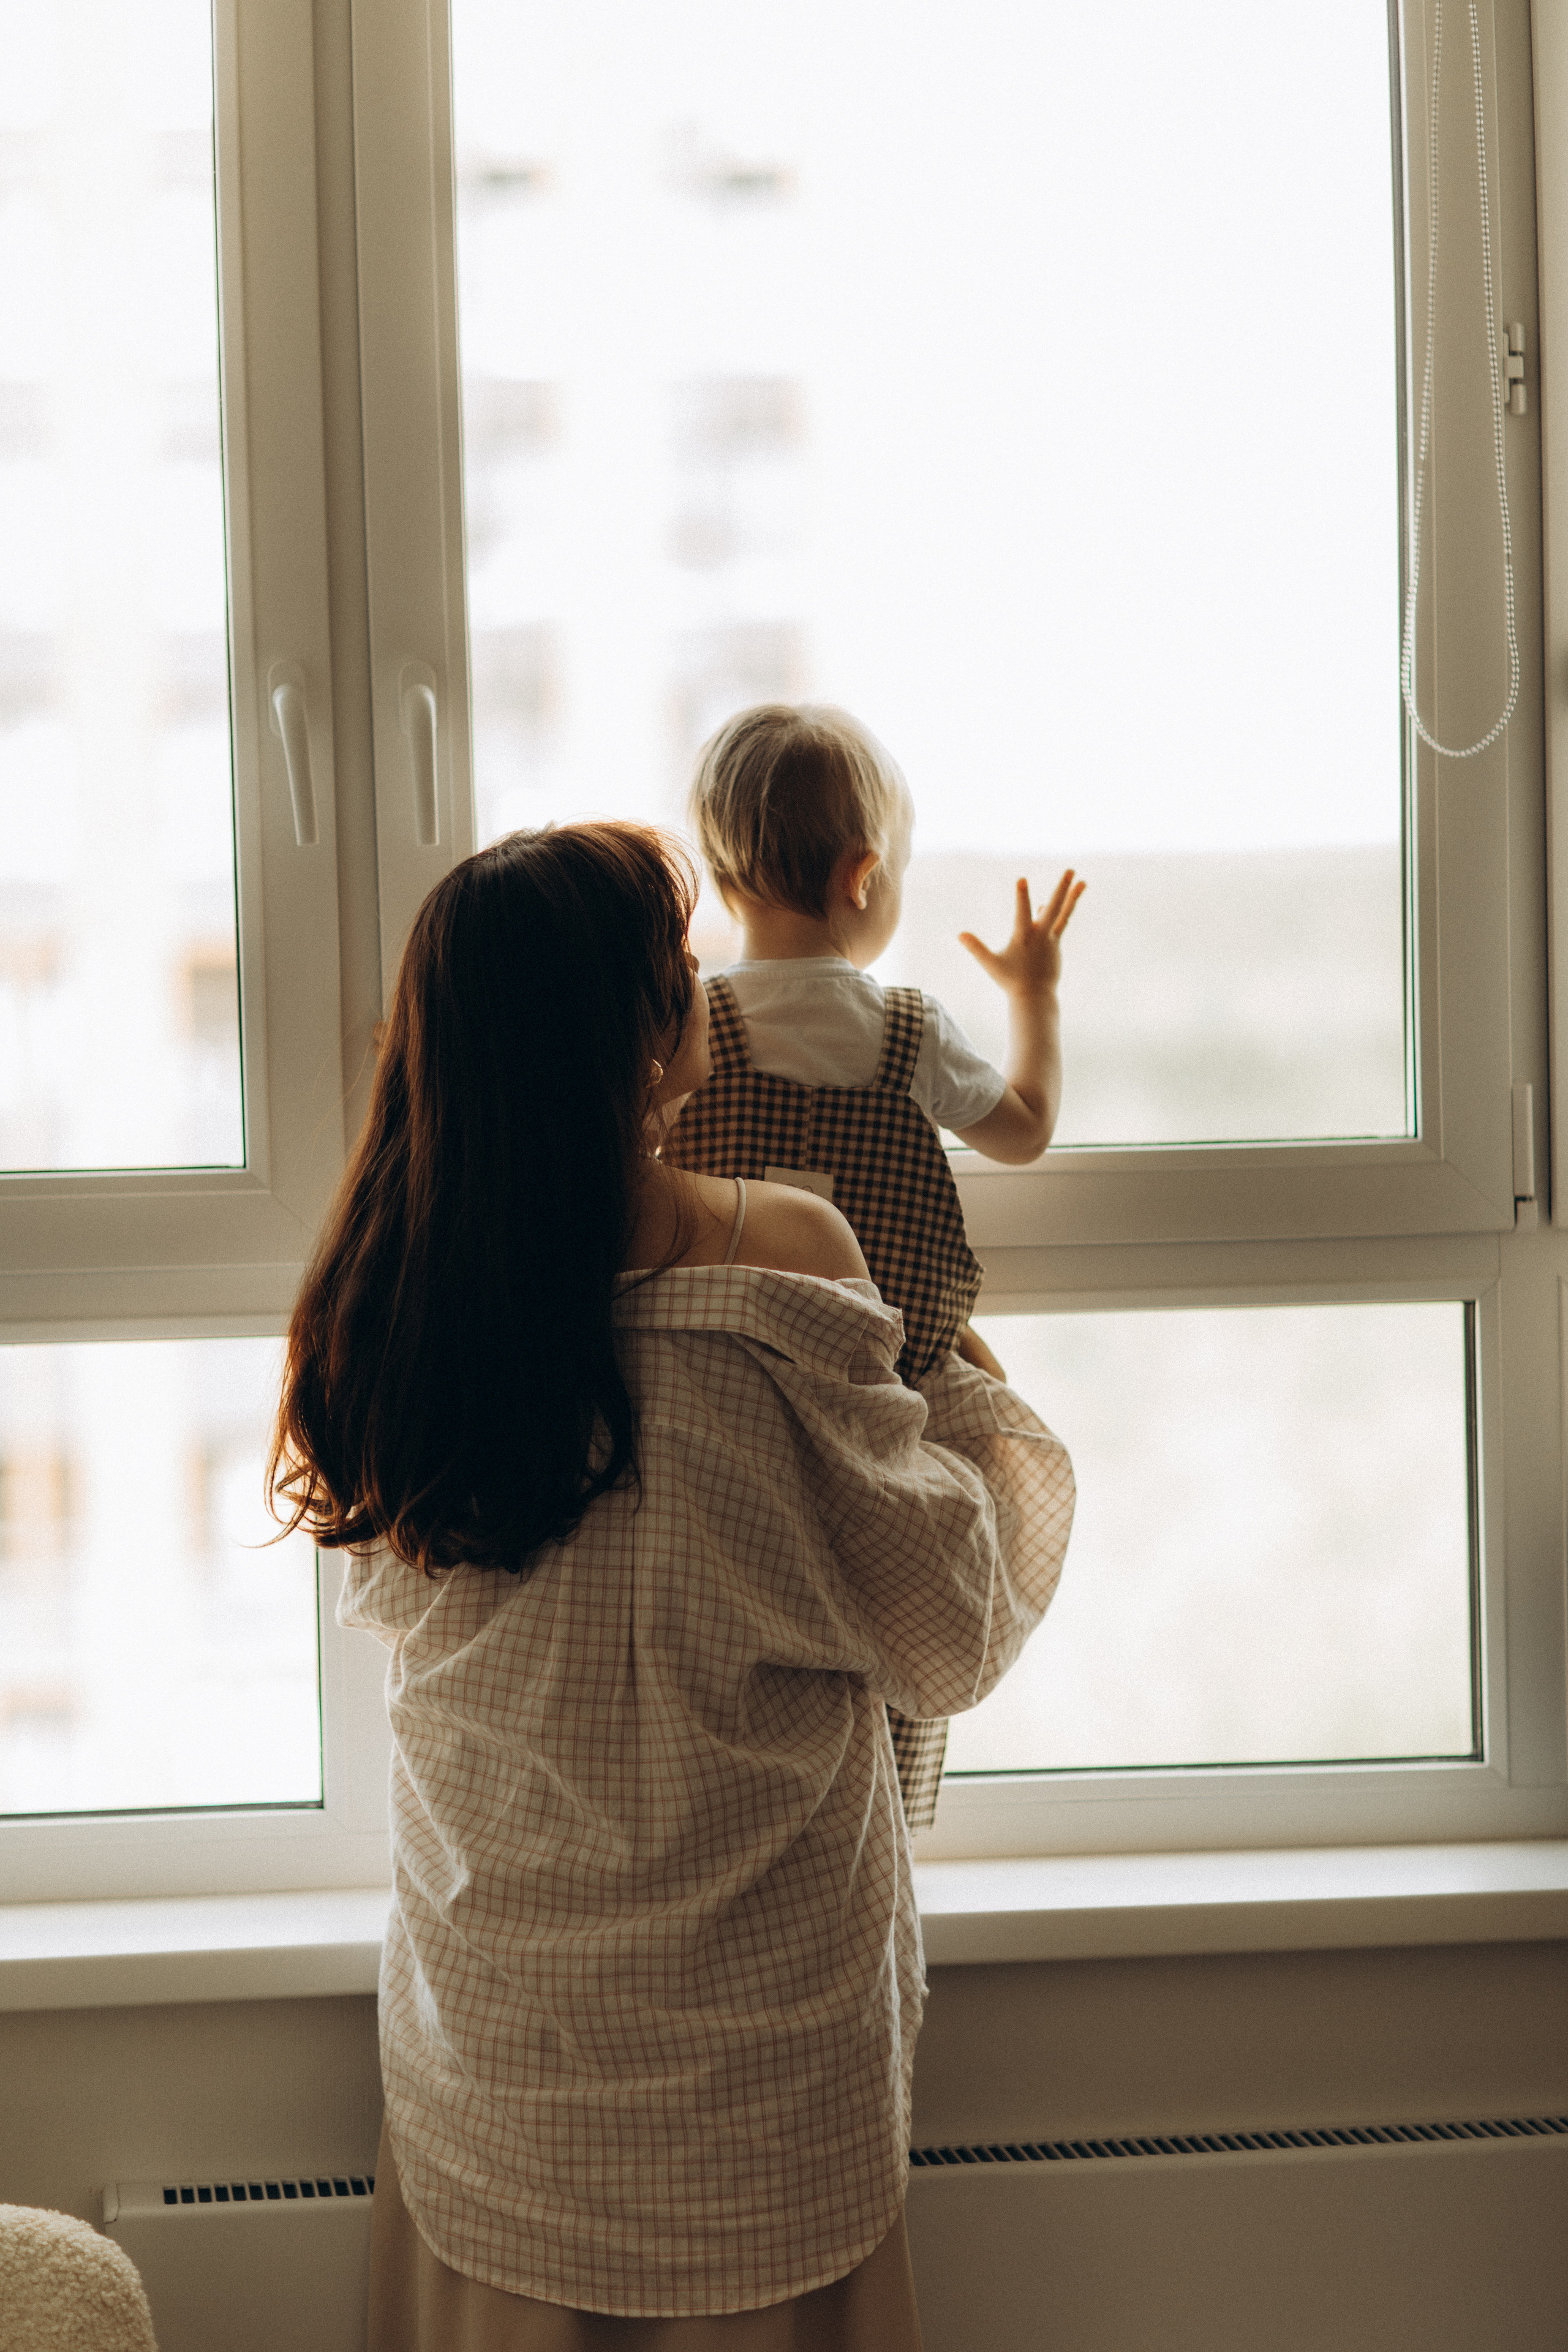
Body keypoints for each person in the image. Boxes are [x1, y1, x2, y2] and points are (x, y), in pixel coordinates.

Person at [270, 821, 1074, 2350]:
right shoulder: (778, 1256)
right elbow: (947, 1623)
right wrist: (962, 1389)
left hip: (499, 2036)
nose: (701, 988)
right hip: (758, 2064)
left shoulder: (395, 1310)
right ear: (639, 1035)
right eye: (676, 967)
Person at [665, 704, 1084, 1830]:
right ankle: (876, 1837)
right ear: (863, 877)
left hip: (723, 1409)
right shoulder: (906, 1033)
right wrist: (1032, 995)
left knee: (741, 1647)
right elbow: (1026, 1126)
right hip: (888, 1413)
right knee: (903, 1632)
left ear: (720, 874)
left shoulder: (691, 1031)